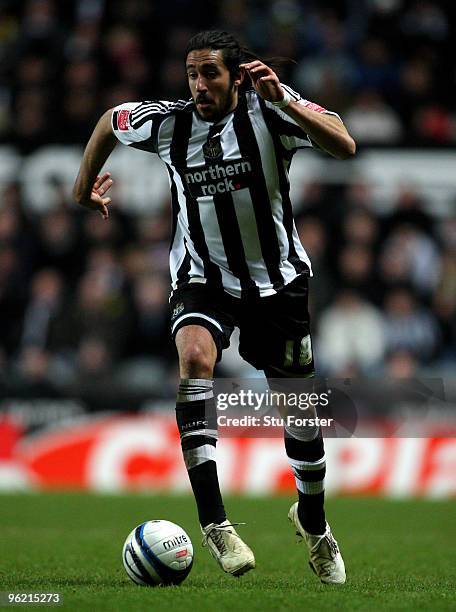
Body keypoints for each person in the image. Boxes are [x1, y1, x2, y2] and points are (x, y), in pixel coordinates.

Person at [73, 30, 355, 584]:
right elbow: (111, 119)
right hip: (204, 279)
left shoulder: (271, 113)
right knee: (195, 360)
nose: (199, 85)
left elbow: (344, 144)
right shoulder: (170, 124)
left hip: (277, 284)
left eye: (210, 74)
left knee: (297, 409)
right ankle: (215, 524)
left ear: (236, 75)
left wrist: (287, 101)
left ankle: (316, 525)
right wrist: (84, 189)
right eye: (191, 75)